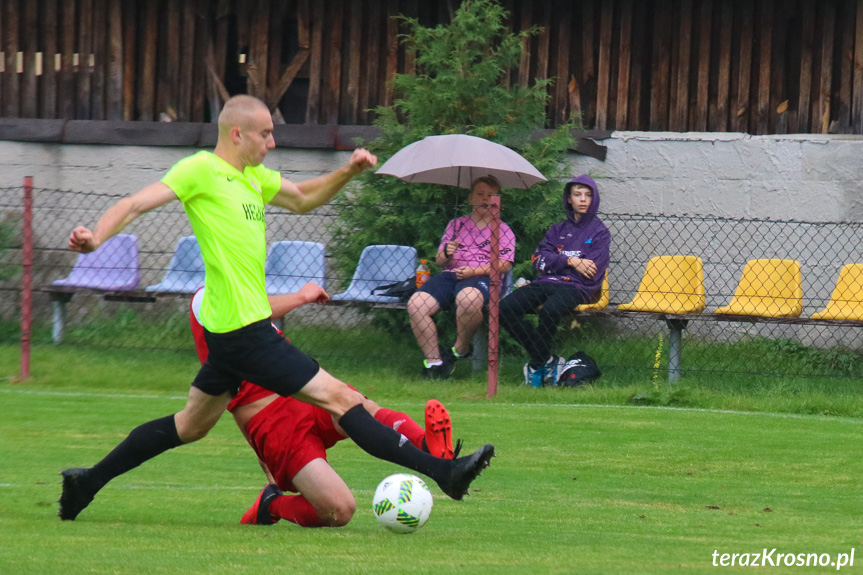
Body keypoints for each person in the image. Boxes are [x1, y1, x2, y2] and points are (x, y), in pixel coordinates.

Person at [58, 95, 494, 522]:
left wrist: (347, 171)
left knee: (190, 425)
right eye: (265, 134)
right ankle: (444, 473)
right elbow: (133, 203)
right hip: (244, 332)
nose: (271, 143)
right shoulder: (201, 170)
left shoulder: (255, 178)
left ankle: (87, 482)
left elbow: (304, 199)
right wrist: (96, 239)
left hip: (228, 336)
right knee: (342, 399)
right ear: (236, 134)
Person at [188, 285, 460, 527]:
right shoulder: (204, 297)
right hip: (274, 421)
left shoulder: (245, 290)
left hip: (305, 392)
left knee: (361, 408)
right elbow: (251, 314)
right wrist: (301, 296)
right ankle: (270, 505)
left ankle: (427, 446)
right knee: (339, 510)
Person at [500, 174, 610, 387]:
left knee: (549, 310)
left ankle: (538, 364)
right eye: (577, 194)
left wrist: (557, 262)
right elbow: (538, 260)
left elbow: (591, 270)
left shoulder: (600, 232)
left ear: (594, 199)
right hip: (546, 282)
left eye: (588, 195)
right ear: (569, 198)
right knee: (505, 308)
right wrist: (571, 260)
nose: (583, 199)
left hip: (576, 287)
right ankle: (545, 359)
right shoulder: (556, 229)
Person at [407, 176, 515, 379]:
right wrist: (447, 252)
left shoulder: (504, 230)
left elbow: (505, 264)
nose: (485, 199)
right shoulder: (456, 225)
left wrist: (473, 271)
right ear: (470, 198)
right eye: (480, 194)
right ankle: (434, 364)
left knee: (468, 299)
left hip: (482, 276)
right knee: (416, 304)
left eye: (490, 195)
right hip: (451, 274)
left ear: (497, 200)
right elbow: (440, 261)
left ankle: (460, 349)